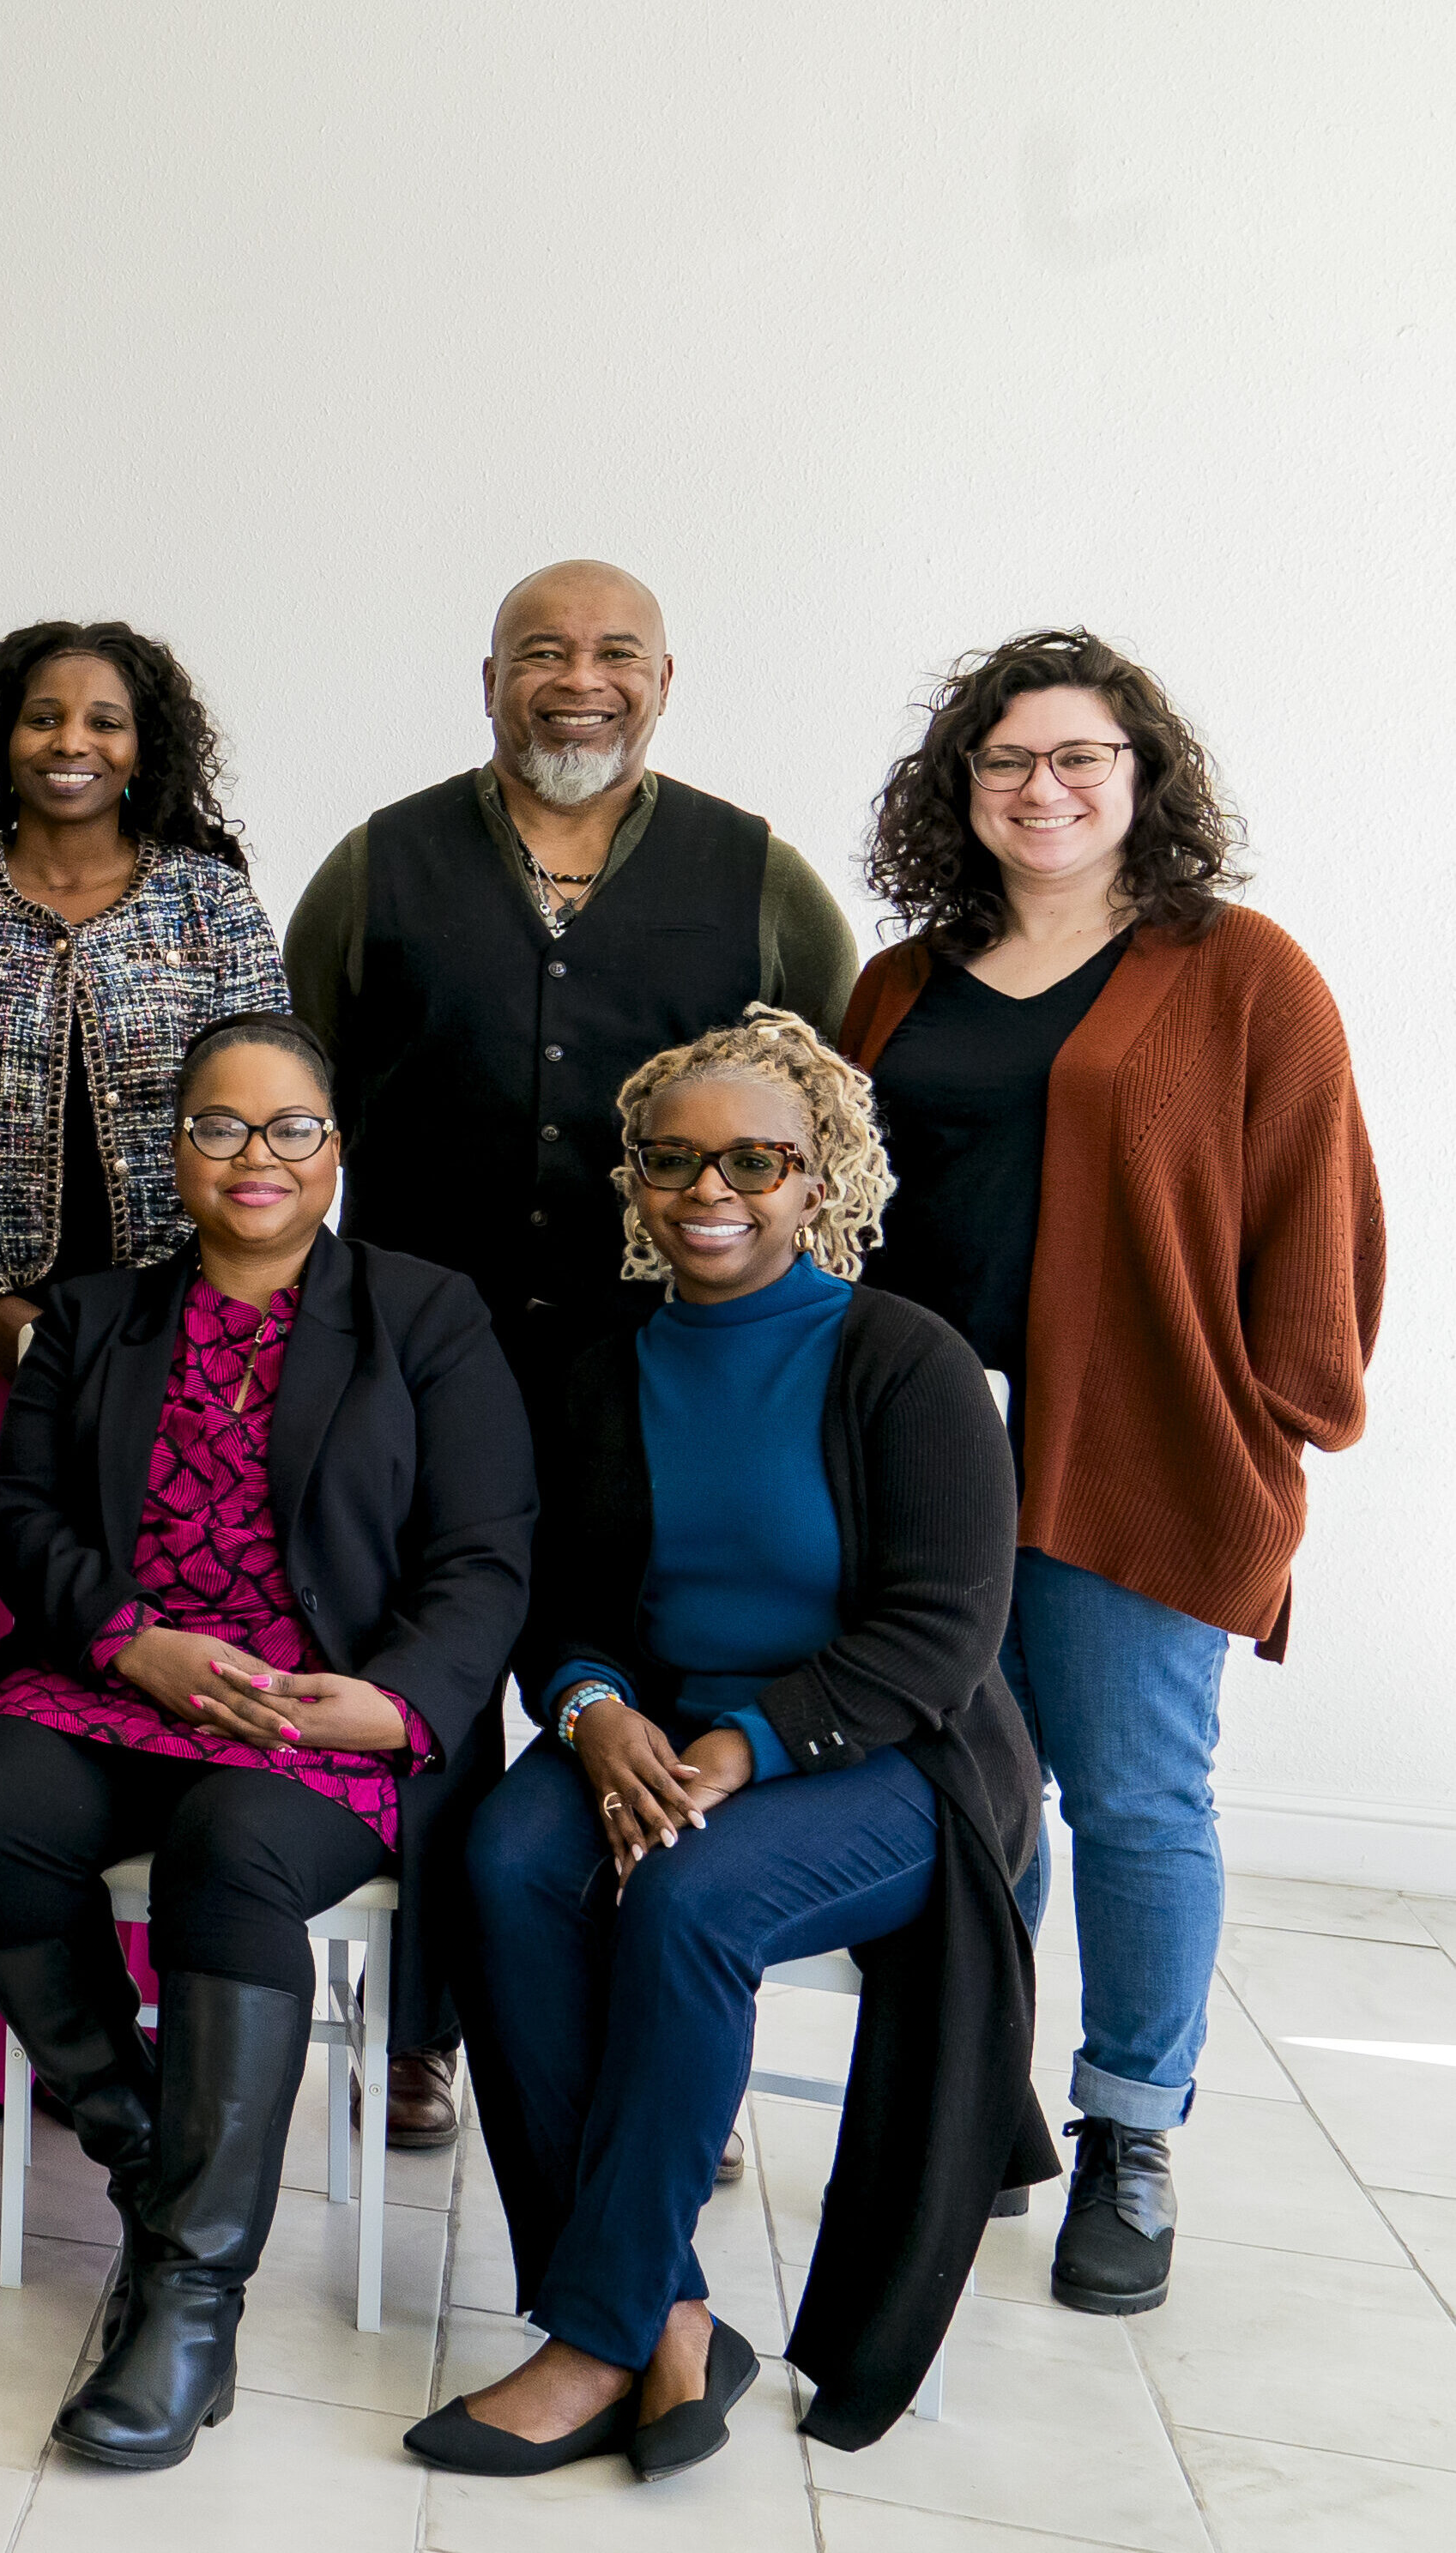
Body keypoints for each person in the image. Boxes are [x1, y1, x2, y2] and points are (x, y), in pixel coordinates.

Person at [416, 1010, 1050, 2475]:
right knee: (508, 1862)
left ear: (819, 1177)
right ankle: (673, 2314)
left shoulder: (908, 1361)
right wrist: (593, 1710)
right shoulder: (596, 1368)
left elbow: (945, 1630)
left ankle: (591, 2340)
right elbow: (559, 1601)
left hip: (894, 1759)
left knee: (693, 1901)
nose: (712, 1190)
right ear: (635, 1180)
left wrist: (749, 1745)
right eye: (675, 1160)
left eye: (755, 1160)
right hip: (660, 1728)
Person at [284, 558, 860, 2141]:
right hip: (419, 1357)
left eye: (616, 653)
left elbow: (825, 1119)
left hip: (666, 1362)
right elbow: (292, 1102)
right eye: (544, 652)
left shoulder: (762, 881)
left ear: (665, 682)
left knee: (659, 1663)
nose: (579, 678)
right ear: (489, 681)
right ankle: (425, 2026)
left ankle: (678, 2018)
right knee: (437, 1682)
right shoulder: (379, 866)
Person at [841, 631, 1380, 2315]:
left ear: (1141, 781)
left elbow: (1321, 1214)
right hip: (922, 1460)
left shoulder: (1237, 970)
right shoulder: (898, 981)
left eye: (1076, 756)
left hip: (1137, 1447)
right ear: (961, 790)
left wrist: (1268, 1417)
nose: (1040, 786)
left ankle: (1128, 2130)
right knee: (964, 1791)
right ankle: (974, 2097)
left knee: (1134, 1796)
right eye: (1003, 760)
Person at [0, 1015, 532, 2467]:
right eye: (219, 1127)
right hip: (127, 1682)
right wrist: (132, 1638)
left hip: (315, 1714)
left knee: (231, 1849)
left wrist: (394, 1700)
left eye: (290, 1130)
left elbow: (486, 1551)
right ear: (174, 1150)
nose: (254, 1158)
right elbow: (21, 1515)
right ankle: (147, 2151)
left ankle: (191, 2300)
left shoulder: (429, 1315)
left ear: (335, 1154)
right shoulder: (91, 1316)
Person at [0, 622, 288, 2120]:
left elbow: (263, 1120)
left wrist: (174, 1325)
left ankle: (156, 2034)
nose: (72, 742)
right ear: (0, 734)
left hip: (177, 1363)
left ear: (144, 742)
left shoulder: (212, 907)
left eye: (104, 720)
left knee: (159, 1674)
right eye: (44, 715)